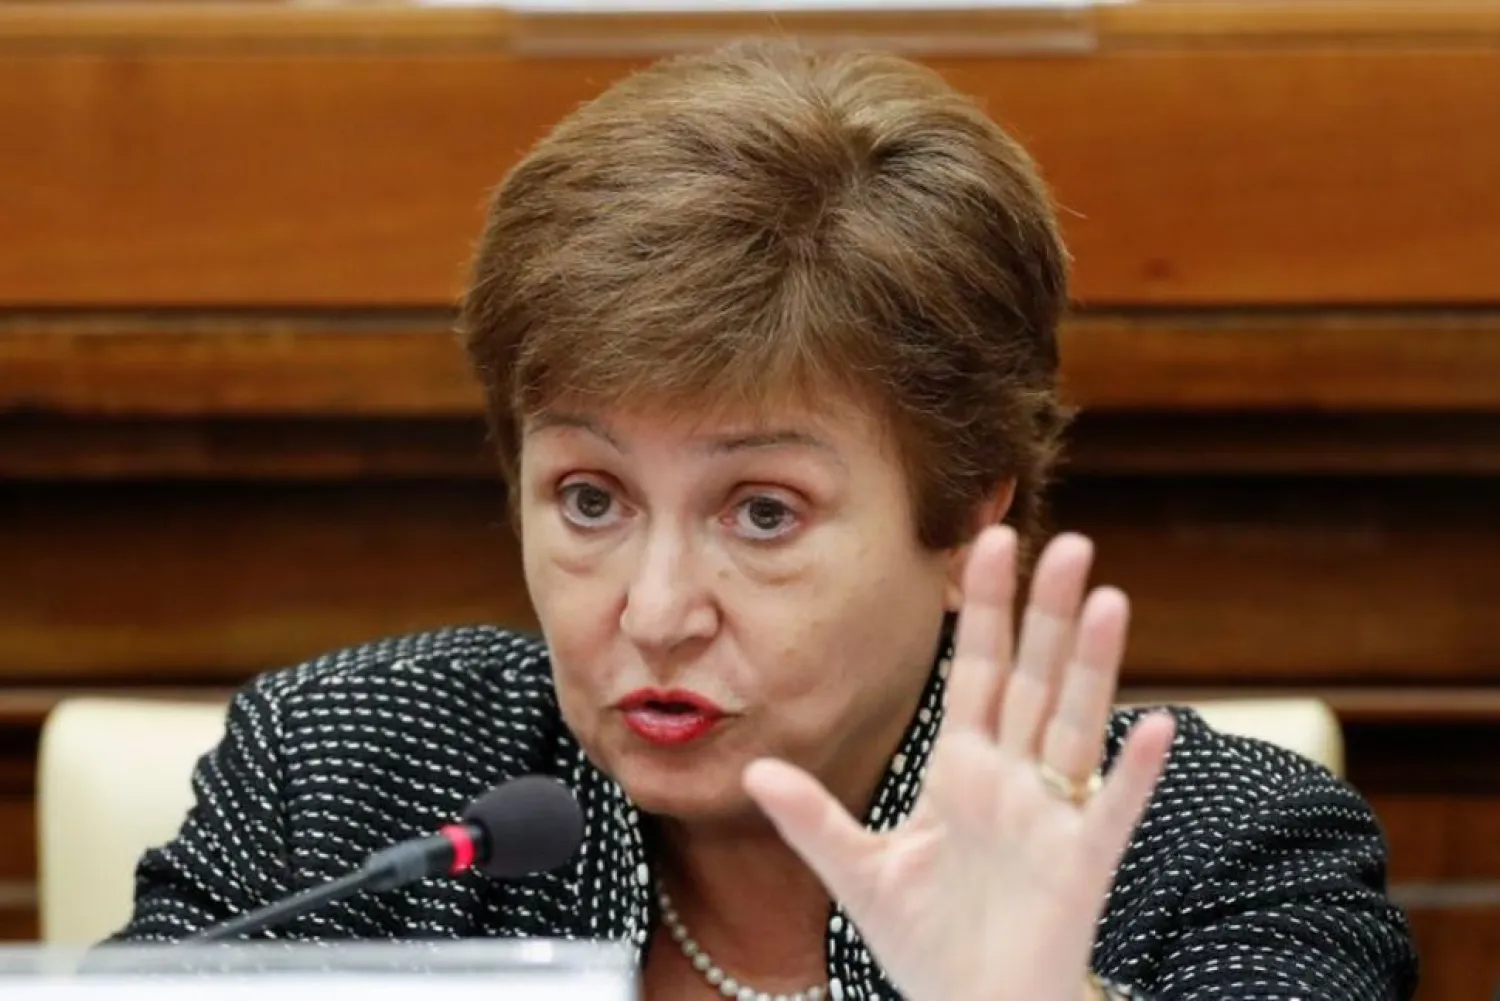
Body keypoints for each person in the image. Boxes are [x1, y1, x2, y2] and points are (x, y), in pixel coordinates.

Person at [112, 40, 1418, 1001]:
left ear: (968, 527)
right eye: (590, 499)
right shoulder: (347, 778)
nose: (657, 613)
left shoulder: (1222, 852)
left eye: (762, 512)